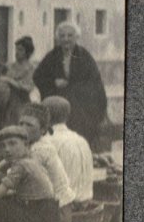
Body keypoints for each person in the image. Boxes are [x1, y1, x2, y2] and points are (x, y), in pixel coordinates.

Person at [33, 21, 107, 150]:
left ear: (76, 37)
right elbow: (38, 76)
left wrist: (73, 88)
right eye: (62, 36)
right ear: (57, 38)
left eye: (69, 36)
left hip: (80, 106)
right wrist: (53, 83)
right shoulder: (52, 56)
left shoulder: (84, 56)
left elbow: (95, 82)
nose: (66, 39)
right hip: (58, 107)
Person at [18, 102, 75, 222]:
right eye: (21, 124)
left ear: (43, 130)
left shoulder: (40, 149)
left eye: (29, 125)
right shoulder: (33, 144)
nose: (22, 129)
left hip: (57, 214)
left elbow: (21, 175)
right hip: (54, 209)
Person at [0, 36, 38, 158]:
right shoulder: (8, 66)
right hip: (3, 108)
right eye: (16, 49)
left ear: (27, 51)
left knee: (16, 138)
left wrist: (10, 81)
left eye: (20, 50)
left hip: (19, 108)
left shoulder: (31, 68)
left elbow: (27, 88)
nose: (17, 53)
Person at [43, 96, 94, 205]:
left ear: (46, 116)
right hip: (86, 203)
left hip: (66, 207)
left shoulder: (49, 141)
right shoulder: (81, 139)